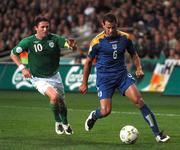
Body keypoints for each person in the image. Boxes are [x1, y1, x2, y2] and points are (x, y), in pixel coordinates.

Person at [79, 13, 170, 142]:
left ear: (117, 25)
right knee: (105, 111)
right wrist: (84, 83)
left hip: (122, 75)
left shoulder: (125, 38)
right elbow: (88, 62)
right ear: (103, 25)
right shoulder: (96, 42)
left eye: (113, 27)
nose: (111, 30)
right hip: (105, 79)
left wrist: (138, 68)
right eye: (108, 27)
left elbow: (134, 54)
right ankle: (94, 116)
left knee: (139, 101)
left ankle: (158, 134)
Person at [10, 16, 76, 135]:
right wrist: (22, 68)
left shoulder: (54, 39)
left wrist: (72, 45)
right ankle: (58, 122)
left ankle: (65, 123)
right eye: (42, 27)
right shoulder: (28, 41)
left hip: (55, 76)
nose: (45, 29)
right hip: (38, 78)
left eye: (47, 27)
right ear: (36, 28)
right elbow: (13, 54)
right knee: (54, 97)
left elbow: (68, 45)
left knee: (62, 102)